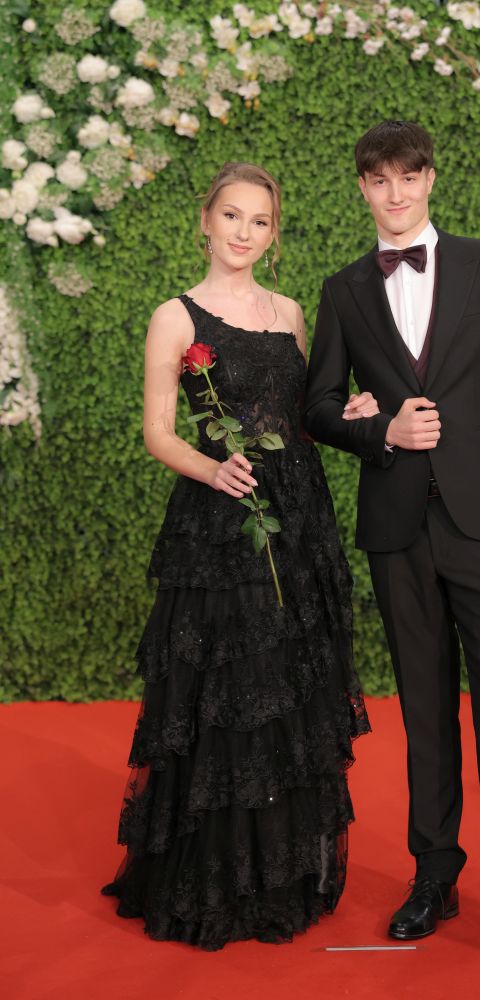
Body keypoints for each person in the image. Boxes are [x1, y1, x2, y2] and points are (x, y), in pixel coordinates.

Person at [101, 161, 378, 951]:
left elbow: (303, 417)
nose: (244, 232)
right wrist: (213, 469)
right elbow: (158, 431)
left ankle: (281, 875)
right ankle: (214, 881)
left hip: (297, 518)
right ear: (206, 220)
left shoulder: (289, 312)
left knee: (287, 686)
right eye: (232, 215)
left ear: (272, 233)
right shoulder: (174, 317)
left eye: (259, 220)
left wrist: (348, 411)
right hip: (222, 522)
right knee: (227, 691)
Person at [304, 121, 480, 961]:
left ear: (430, 179)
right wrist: (379, 433)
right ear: (362, 188)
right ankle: (433, 875)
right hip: (397, 531)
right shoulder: (343, 290)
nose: (395, 193)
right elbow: (317, 407)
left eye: (407, 177)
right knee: (422, 711)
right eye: (379, 180)